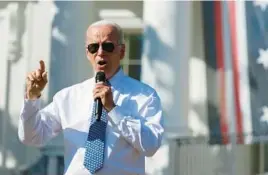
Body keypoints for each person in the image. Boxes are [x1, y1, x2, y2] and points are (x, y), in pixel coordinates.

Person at [18, 20, 164, 175]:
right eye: (94, 47)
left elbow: (151, 145)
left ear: (121, 51)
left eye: (108, 46)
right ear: (87, 53)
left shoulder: (145, 95)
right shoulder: (68, 97)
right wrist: (32, 99)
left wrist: (114, 110)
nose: (100, 52)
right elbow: (31, 137)